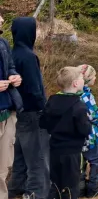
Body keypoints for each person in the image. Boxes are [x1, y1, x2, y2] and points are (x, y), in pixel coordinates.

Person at [8, 17, 50, 199]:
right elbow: (34, 89)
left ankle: (15, 188)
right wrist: (44, 109)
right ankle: (35, 193)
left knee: (20, 154)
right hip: (33, 112)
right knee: (37, 156)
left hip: (19, 111)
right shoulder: (28, 56)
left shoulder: (12, 53)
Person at [40, 66, 92, 199]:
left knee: (55, 184)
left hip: (54, 150)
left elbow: (43, 123)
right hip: (72, 153)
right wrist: (89, 121)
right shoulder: (79, 106)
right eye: (81, 78)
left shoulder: (52, 100)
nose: (83, 80)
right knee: (71, 186)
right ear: (75, 83)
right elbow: (85, 130)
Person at [78, 64, 98, 197]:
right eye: (94, 76)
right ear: (87, 78)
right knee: (97, 160)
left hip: (78, 137)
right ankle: (93, 188)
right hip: (90, 137)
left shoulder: (72, 93)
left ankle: (80, 188)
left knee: (80, 163)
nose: (95, 78)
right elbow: (93, 116)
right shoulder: (86, 96)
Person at [0, 14, 23, 199]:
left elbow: (10, 67)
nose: (2, 20)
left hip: (6, 112)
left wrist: (15, 76)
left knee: (3, 168)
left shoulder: (3, 43)